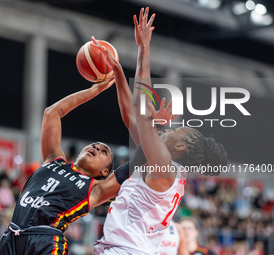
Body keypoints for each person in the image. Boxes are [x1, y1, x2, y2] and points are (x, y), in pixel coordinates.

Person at [92, 7, 227, 255]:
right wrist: (119, 74)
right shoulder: (162, 164)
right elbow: (132, 117)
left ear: (181, 147)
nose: (172, 127)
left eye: (178, 129)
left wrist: (144, 49)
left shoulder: (165, 166)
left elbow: (142, 113)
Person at [0, 75, 146, 255]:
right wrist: (93, 92)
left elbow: (142, 155)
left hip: (44, 241)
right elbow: (51, 113)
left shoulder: (96, 188)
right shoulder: (54, 160)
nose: (95, 147)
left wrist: (157, 135)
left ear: (105, 170)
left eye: (103, 151)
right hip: (11, 237)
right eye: (94, 145)